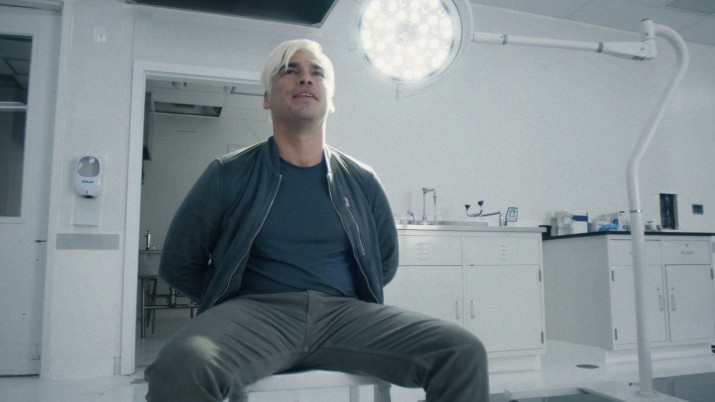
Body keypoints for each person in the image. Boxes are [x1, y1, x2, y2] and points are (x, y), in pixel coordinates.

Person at [144, 39, 489, 402]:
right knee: (182, 364)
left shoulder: (362, 180)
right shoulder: (227, 174)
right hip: (255, 313)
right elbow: (179, 263)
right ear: (267, 98)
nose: (305, 78)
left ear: (330, 99)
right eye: (289, 71)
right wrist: (231, 304)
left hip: (345, 316)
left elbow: (383, 263)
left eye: (316, 73)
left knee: (461, 352)